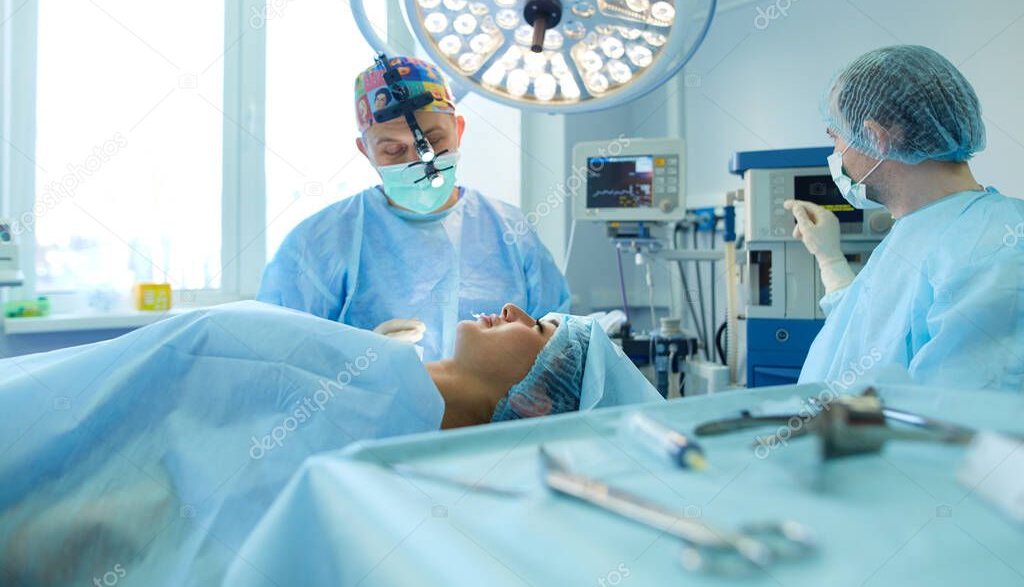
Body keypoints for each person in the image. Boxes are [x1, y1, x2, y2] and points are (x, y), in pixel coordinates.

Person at [0, 300, 658, 586]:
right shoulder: (375, 379)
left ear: (540, 399)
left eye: (540, 329)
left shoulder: (383, 464)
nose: (515, 310)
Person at [257, 55, 570, 361]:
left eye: (434, 139)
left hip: (502, 415)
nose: (421, 160)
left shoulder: (510, 231)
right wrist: (358, 366)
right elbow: (281, 361)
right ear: (365, 151)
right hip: (374, 414)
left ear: (459, 130)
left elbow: (557, 354)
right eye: (393, 149)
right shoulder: (318, 244)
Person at [784, 45, 1024, 391]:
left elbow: (960, 425)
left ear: (876, 137)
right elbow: (869, 338)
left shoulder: (992, 251)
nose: (835, 154)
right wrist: (830, 260)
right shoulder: (925, 229)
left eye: (835, 137)